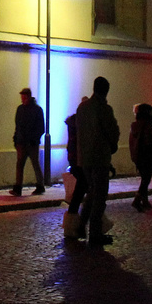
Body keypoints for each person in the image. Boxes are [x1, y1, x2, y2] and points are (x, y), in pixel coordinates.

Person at [75, 76, 119, 247]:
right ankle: (95, 233)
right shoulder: (104, 109)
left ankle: (80, 225)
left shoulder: (82, 108)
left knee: (91, 192)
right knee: (99, 196)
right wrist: (112, 145)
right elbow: (112, 131)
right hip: (99, 156)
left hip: (85, 157)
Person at [62, 96, 89, 239]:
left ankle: (74, 225)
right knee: (84, 191)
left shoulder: (74, 122)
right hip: (81, 160)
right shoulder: (82, 123)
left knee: (81, 190)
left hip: (74, 159)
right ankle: (78, 226)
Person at [10, 87, 46, 196]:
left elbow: (40, 128)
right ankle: (20, 187)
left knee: (32, 163)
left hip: (30, 143)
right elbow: (18, 126)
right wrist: (16, 139)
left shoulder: (34, 109)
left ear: (28, 97)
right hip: (23, 142)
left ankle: (37, 185)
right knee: (23, 164)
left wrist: (32, 139)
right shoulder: (25, 109)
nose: (22, 99)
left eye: (24, 97)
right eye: (22, 97)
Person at [128, 103, 152, 211]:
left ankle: (145, 201)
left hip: (137, 155)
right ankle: (137, 200)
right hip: (146, 155)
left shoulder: (134, 125)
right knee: (146, 179)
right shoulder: (147, 125)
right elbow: (148, 141)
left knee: (144, 178)